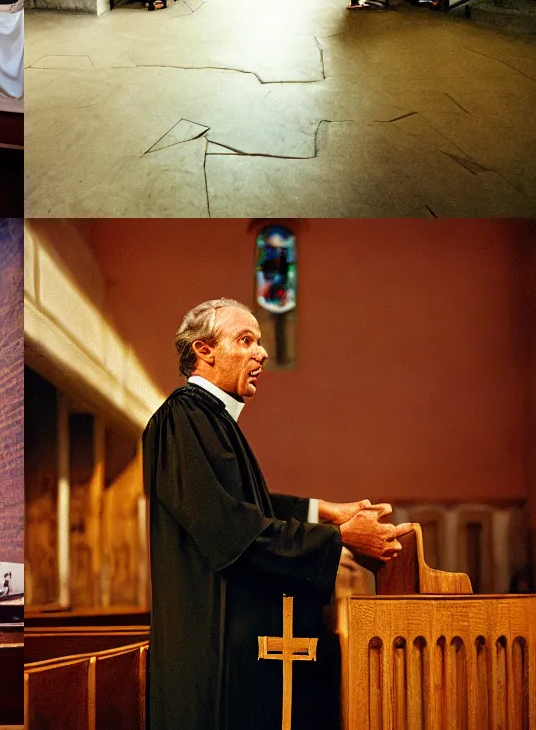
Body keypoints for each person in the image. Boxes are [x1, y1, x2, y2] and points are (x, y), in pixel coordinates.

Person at [144, 299, 411, 730]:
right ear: (204, 350)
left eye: (261, 342)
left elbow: (247, 504)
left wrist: (324, 513)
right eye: (245, 340)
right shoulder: (184, 417)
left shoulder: (211, 419)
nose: (261, 353)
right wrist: (341, 539)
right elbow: (230, 528)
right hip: (209, 653)